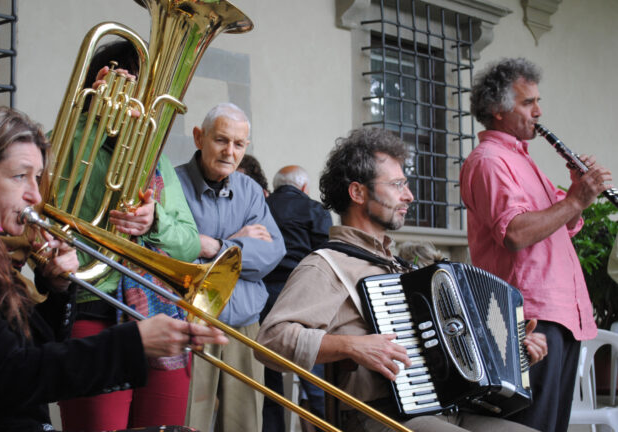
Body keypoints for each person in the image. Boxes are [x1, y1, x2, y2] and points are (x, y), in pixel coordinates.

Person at [0, 105, 227, 432]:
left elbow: (33, 350)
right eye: (20, 176)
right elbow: (7, 376)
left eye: (37, 178)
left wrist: (57, 288)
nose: (35, 195)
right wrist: (132, 342)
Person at [257, 127, 547, 432]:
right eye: (397, 185)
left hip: (443, 409)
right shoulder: (326, 266)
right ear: (357, 193)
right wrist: (351, 346)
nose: (408, 195)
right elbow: (270, 341)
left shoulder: (399, 268)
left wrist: (514, 351)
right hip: (377, 417)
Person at [55, 40, 203, 430]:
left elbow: (189, 242)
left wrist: (155, 222)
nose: (134, 98)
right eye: (126, 85)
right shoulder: (66, 138)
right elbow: (48, 208)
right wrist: (93, 120)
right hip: (92, 304)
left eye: (143, 90)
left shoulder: (159, 159)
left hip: (158, 308)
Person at [460, 57, 612, 432]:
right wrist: (574, 201)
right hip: (529, 317)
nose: (538, 111)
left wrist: (578, 196)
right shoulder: (489, 161)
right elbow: (515, 233)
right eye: (528, 103)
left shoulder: (522, 161)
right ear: (497, 110)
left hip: (560, 313)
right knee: (530, 426)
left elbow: (562, 227)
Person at [176, 102, 286, 432]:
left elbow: (271, 253)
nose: (229, 151)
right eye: (221, 140)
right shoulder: (173, 184)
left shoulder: (250, 191)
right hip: (191, 323)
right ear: (199, 137)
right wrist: (238, 244)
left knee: (245, 424)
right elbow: (172, 257)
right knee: (187, 422)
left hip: (244, 326)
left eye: (239, 144)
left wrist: (216, 246)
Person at [261, 165, 333, 432]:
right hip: (301, 294)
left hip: (264, 295)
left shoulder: (263, 206)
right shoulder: (314, 209)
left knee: (269, 372)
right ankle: (325, 424)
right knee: (311, 365)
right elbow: (325, 256)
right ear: (304, 187)